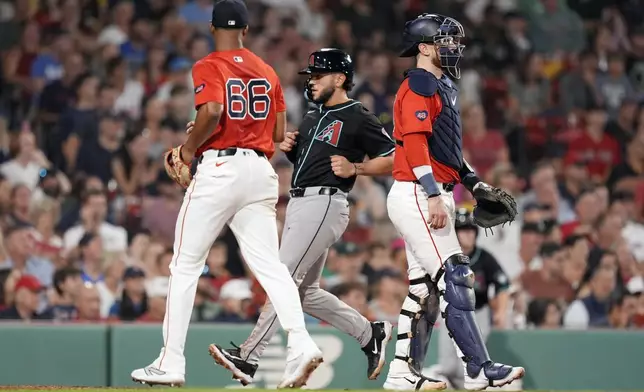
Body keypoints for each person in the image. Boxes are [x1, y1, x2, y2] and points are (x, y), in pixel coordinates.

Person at [130, 0, 322, 388]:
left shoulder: (208, 64)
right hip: (261, 171)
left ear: (213, 29)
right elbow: (274, 134)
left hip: (221, 168)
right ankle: (300, 343)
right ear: (246, 31)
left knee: (184, 265)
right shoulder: (267, 70)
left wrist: (188, 148)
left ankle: (171, 361)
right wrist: (210, 128)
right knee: (270, 266)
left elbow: (215, 110)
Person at [208, 48, 396, 385]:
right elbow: (311, 164)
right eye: (310, 76)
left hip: (325, 202)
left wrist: (357, 167)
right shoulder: (312, 116)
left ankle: (249, 356)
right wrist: (295, 152)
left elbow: (394, 158)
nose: (311, 81)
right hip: (301, 203)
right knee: (305, 293)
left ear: (340, 79)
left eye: (318, 75)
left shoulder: (357, 115)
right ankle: (369, 334)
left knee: (283, 278)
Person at [383, 13, 525, 391]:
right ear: (425, 47)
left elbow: (446, 151)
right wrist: (432, 193)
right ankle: (478, 369)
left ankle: (401, 373)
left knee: (424, 291)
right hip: (418, 192)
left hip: (428, 190)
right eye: (446, 42)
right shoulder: (419, 83)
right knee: (456, 275)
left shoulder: (439, 84)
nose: (454, 48)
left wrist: (474, 183)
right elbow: (414, 144)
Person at [433, 208, 511, 389]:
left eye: (470, 231)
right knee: (448, 366)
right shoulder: (446, 256)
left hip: (478, 314)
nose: (468, 235)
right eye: (463, 231)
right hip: (450, 312)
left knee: (471, 364)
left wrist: (500, 311)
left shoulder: (485, 258)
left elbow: (503, 285)